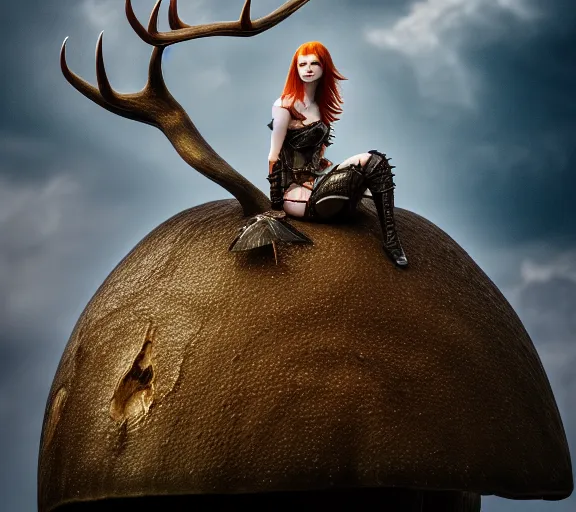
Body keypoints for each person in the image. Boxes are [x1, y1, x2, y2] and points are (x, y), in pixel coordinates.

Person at [231, 41, 408, 267]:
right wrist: (276, 206)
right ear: (295, 69)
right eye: (302, 63)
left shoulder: (317, 106)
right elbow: (273, 157)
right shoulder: (284, 105)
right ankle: (391, 242)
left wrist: (330, 170)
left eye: (314, 63)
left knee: (375, 159)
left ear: (325, 67)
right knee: (373, 162)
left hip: (318, 182)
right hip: (297, 196)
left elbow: (318, 155)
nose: (308, 68)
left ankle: (391, 239)